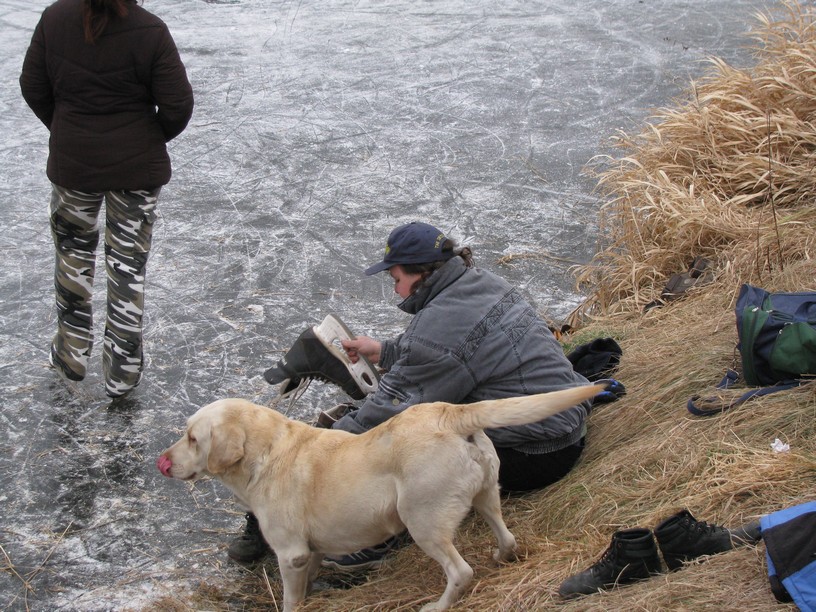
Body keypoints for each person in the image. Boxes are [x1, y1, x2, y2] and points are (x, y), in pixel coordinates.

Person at [231, 221, 593, 567]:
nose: (395, 289)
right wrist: (386, 351)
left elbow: (389, 410)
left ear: (420, 273)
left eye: (396, 278)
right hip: (564, 422)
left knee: (400, 445)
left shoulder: (440, 328)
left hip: (540, 453)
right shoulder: (480, 282)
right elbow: (458, 348)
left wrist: (318, 450)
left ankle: (380, 539)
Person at [20, 0, 194, 398]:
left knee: (72, 261)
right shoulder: (150, 29)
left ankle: (71, 356)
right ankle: (122, 375)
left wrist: (66, 128)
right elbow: (178, 104)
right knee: (127, 270)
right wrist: (144, 139)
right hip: (135, 174)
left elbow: (32, 85)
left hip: (74, 166)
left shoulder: (54, 18)